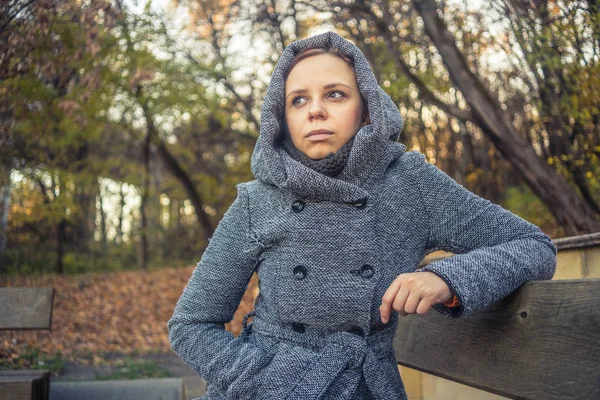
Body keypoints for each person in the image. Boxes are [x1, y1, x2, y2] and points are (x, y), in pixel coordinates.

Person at [168, 31, 557, 400]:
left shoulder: (409, 182)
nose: (316, 111)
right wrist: (266, 382)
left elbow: (534, 247)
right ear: (281, 117)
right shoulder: (258, 201)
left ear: (367, 109)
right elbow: (191, 325)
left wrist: (448, 279)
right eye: (298, 100)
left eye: (335, 94)